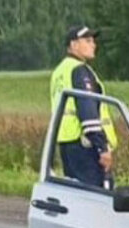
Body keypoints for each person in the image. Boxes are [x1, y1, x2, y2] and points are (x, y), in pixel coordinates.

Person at [49, 25, 117, 188]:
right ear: (73, 45)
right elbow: (88, 112)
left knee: (76, 195)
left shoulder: (59, 72)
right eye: (87, 41)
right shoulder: (79, 71)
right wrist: (102, 148)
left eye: (93, 41)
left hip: (66, 144)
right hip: (85, 145)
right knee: (97, 198)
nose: (93, 44)